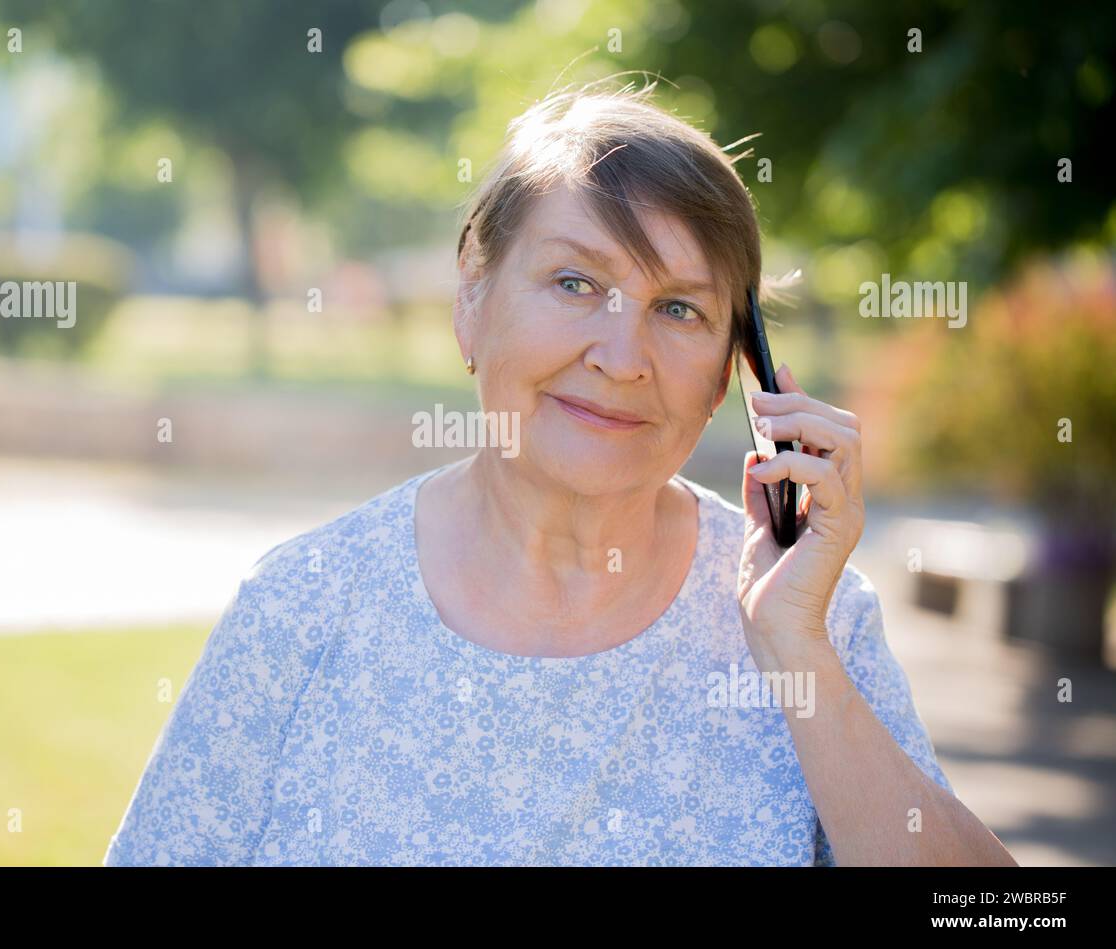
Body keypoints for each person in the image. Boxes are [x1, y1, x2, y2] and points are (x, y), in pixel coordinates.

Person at [103, 80, 1015, 866]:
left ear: (738, 371)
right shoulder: (301, 609)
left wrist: (795, 649)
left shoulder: (811, 617)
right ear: (473, 294)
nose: (623, 356)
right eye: (576, 283)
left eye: (680, 310)